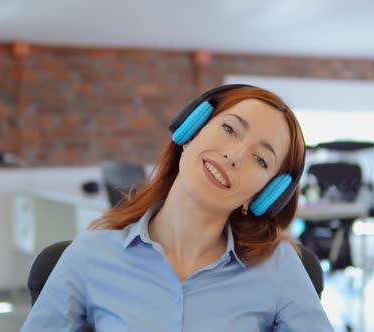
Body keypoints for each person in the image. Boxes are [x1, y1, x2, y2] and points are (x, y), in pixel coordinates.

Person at [21, 85, 333, 331]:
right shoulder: (91, 254)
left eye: (261, 159)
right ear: (190, 130)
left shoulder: (279, 267)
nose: (235, 155)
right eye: (230, 129)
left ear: (264, 195)